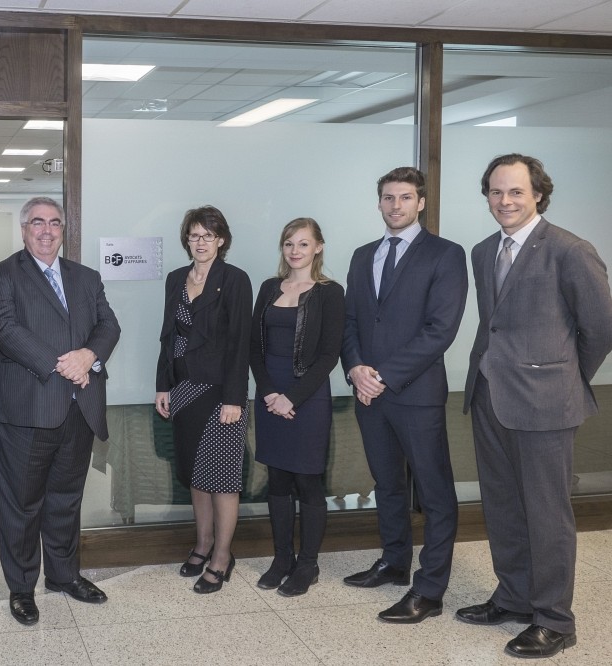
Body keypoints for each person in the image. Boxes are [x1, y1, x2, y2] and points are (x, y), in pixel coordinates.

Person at [459, 154, 612, 658]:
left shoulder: (570, 250)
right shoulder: (484, 251)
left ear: (539, 195)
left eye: (516, 192)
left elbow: (600, 328)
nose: (504, 201)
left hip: (546, 405)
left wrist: (562, 378)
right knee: (502, 506)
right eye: (496, 192)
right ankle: (514, 596)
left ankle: (554, 619)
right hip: (490, 396)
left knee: (547, 514)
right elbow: (493, 325)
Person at [0, 196, 120, 625]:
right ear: (23, 230)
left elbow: (108, 325)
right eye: (37, 223)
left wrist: (89, 356)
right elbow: (5, 330)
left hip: (78, 409)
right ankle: (22, 588)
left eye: (54, 223)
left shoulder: (86, 277)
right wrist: (67, 363)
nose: (46, 230)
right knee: (21, 504)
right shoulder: (2, 275)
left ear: (64, 229)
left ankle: (64, 575)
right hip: (27, 409)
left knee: (65, 499)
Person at [341, 166, 467, 623]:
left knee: (434, 493)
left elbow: (440, 329)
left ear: (422, 203)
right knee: (387, 485)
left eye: (405, 197)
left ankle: (429, 591)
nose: (396, 206)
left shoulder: (446, 254)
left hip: (415, 393)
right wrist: (356, 369)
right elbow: (351, 321)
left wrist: (384, 375)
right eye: (388, 198)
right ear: (379, 203)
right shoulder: (362, 255)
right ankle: (395, 563)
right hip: (369, 394)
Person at [155, 205, 252, 594]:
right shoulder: (176, 278)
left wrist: (235, 399)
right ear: (187, 239)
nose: (200, 242)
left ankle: (223, 557)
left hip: (220, 394)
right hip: (183, 391)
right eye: (194, 235)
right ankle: (202, 543)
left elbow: (240, 343)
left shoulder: (234, 279)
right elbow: (167, 336)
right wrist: (163, 386)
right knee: (196, 475)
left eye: (208, 235)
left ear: (221, 240)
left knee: (223, 478)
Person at [249, 218, 345, 597]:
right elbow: (253, 347)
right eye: (289, 243)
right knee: (277, 480)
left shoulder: (329, 292)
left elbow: (329, 354)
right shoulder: (269, 287)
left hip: (307, 397)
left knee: (307, 481)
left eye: (304, 244)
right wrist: (271, 393)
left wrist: (292, 397)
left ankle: (308, 564)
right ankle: (281, 559)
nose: (295, 251)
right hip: (269, 395)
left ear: (318, 247)